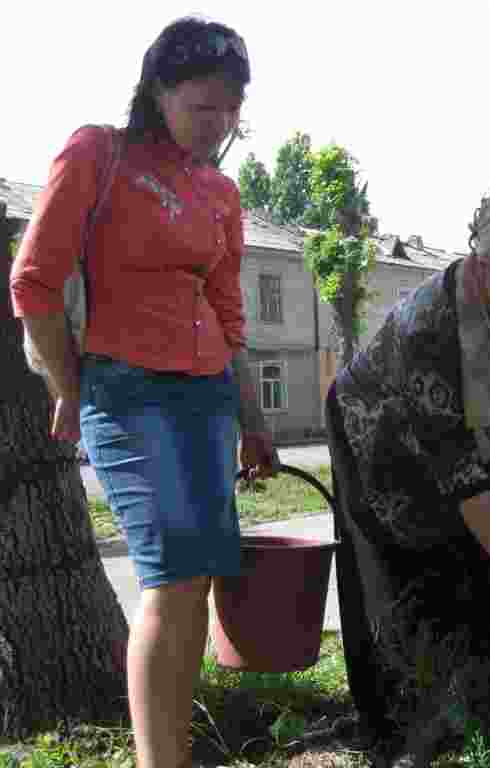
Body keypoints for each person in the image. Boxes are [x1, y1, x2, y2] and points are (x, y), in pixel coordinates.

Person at [10, 17, 278, 768]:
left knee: (196, 582)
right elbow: (32, 282)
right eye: (203, 107)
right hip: (126, 394)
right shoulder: (99, 153)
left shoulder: (220, 191)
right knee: (169, 575)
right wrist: (70, 385)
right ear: (157, 91)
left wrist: (252, 417)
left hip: (205, 400)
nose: (219, 125)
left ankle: (175, 751)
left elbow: (228, 311)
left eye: (231, 111)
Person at [325, 186, 490, 767]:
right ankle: (401, 733)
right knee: (397, 575)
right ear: (483, 269)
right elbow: (460, 476)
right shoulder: (425, 331)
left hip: (446, 444)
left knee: (483, 559)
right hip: (370, 433)